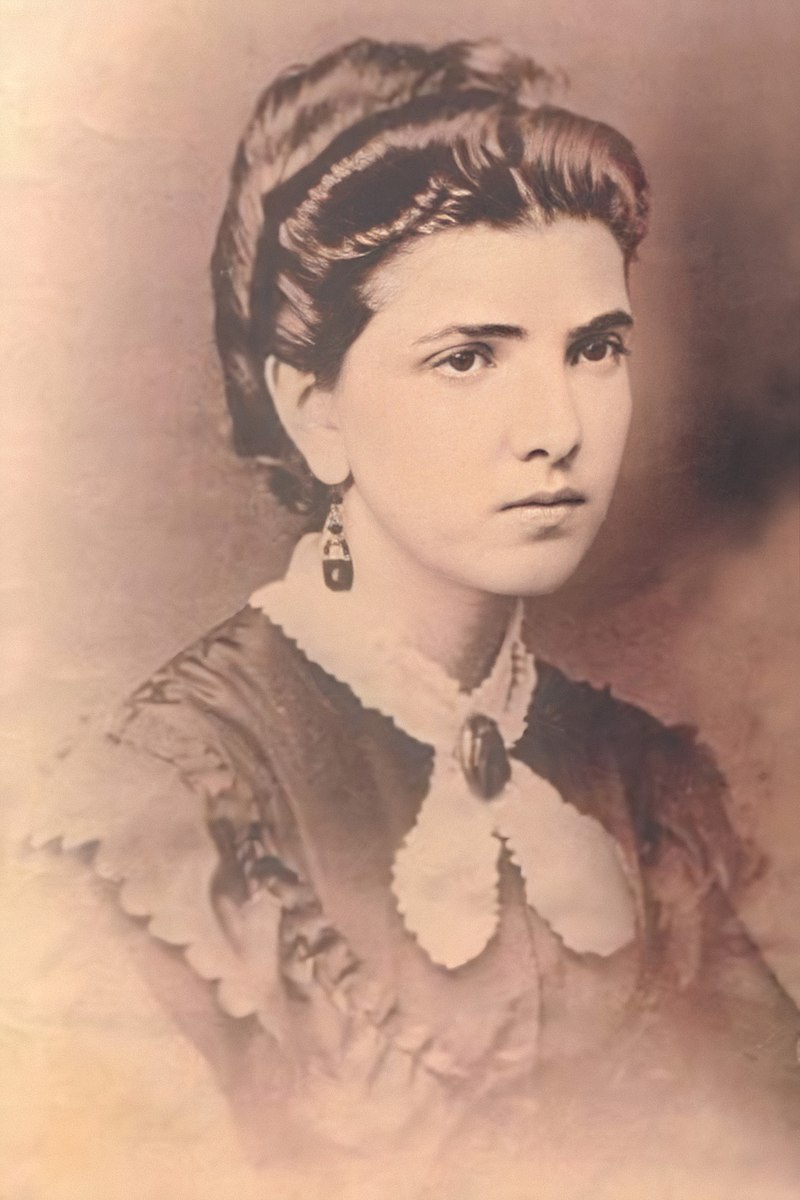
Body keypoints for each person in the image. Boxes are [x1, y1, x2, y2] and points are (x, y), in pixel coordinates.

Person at [12, 36, 799, 1199]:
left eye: (593, 349)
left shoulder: (637, 788)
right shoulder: (166, 813)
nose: (557, 428)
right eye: (468, 358)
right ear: (313, 410)